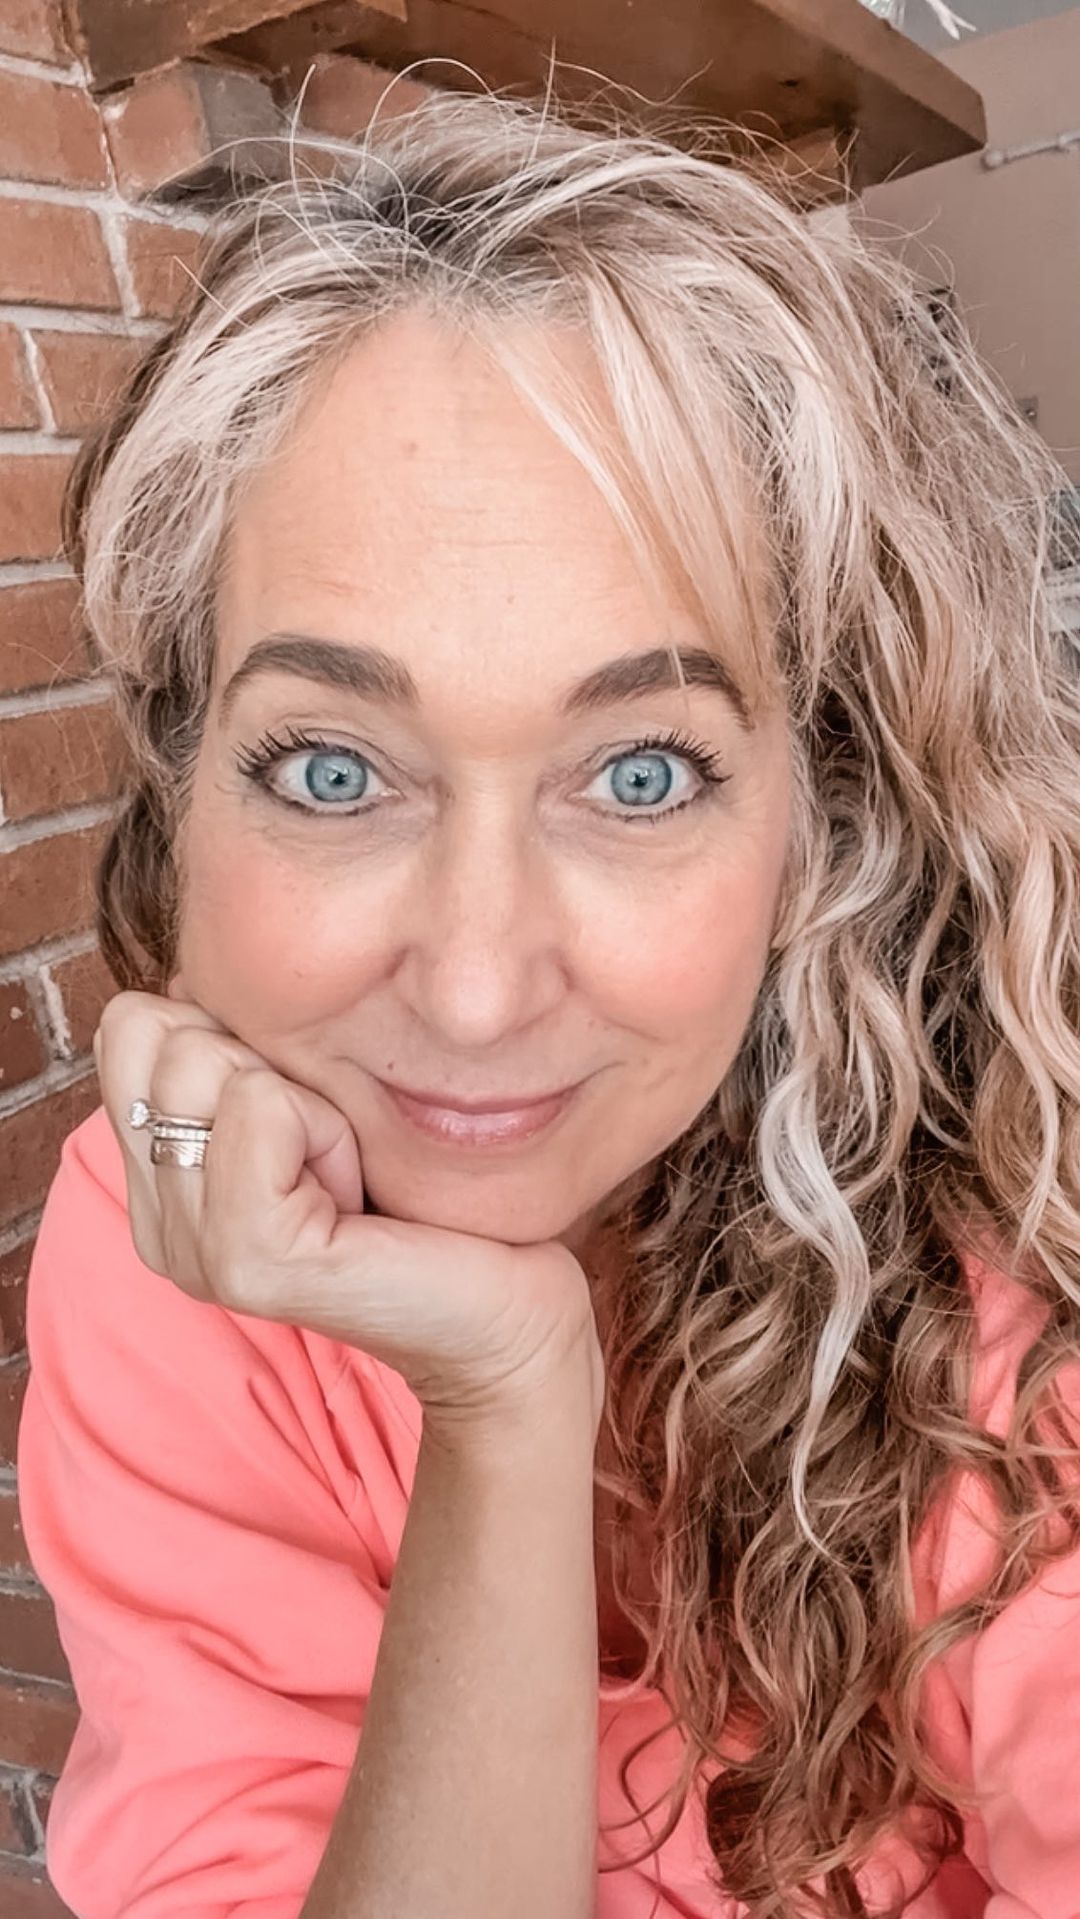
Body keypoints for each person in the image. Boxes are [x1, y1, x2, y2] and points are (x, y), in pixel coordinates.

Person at [14, 79, 1080, 1919]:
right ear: (185, 791)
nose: (479, 985)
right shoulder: (168, 1225)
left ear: (822, 818)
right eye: (335, 771)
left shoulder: (1022, 1215)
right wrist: (504, 1398)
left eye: (641, 775)